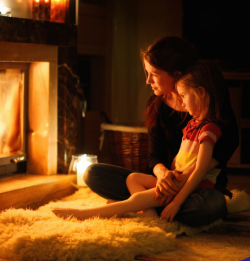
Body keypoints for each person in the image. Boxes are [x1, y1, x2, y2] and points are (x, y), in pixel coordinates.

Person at [52, 62, 229, 221]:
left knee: (138, 199)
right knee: (132, 178)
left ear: (200, 93)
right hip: (174, 179)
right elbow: (168, 157)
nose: (181, 102)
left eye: (183, 96)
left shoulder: (209, 129)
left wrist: (176, 201)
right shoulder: (192, 123)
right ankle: (150, 214)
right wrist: (165, 175)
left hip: (191, 186)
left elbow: (199, 171)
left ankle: (87, 214)